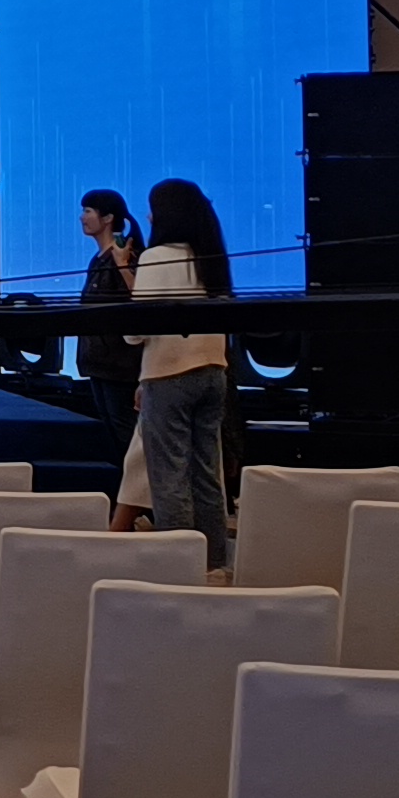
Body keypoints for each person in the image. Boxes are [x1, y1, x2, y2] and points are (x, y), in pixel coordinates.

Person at [129, 178, 235, 567]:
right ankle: (213, 563)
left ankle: (177, 566)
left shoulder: (157, 257)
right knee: (207, 475)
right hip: (214, 370)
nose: (148, 216)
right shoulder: (211, 256)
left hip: (169, 373)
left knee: (169, 476)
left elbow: (135, 330)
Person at [74, 190, 145, 525]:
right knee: (115, 437)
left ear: (108, 218)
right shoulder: (97, 260)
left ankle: (137, 508)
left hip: (121, 365)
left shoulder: (125, 256)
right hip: (98, 363)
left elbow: (139, 302)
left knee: (127, 438)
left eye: (88, 210)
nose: (82, 217)